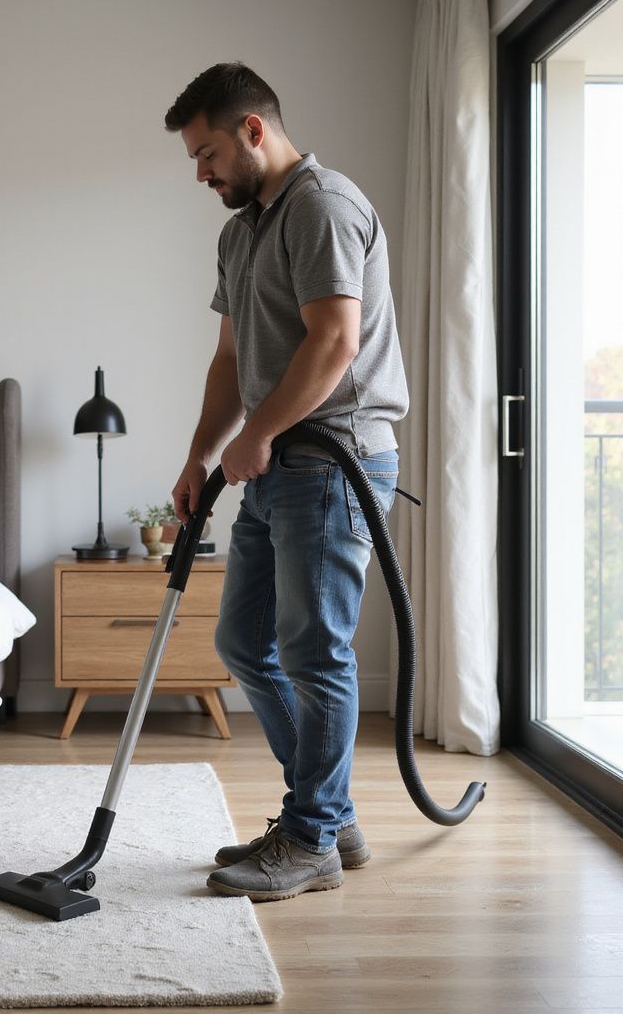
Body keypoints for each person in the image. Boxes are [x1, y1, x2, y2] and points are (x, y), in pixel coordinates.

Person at [164, 62, 409, 902]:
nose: (200, 173)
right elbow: (232, 361)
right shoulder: (241, 233)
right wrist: (202, 455)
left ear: (253, 131)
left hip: (335, 460)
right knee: (245, 644)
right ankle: (326, 815)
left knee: (314, 652)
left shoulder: (323, 206)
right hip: (275, 464)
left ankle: (309, 836)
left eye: (206, 153)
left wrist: (257, 437)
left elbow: (334, 343)